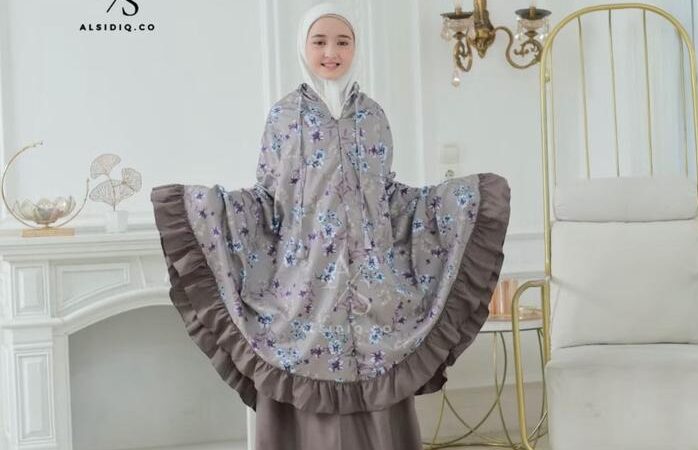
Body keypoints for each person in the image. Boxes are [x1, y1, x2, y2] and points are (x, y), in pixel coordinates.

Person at [150, 2, 510, 449]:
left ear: (356, 47)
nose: (331, 52)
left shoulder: (373, 116)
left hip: (372, 284)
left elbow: (387, 197)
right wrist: (199, 207)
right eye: (319, 41)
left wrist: (459, 201)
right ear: (303, 47)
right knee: (302, 364)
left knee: (375, 364)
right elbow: (267, 198)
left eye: (343, 41)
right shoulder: (284, 116)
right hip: (303, 284)